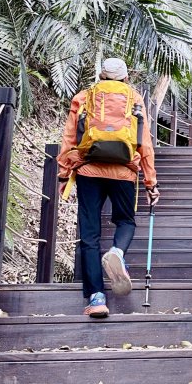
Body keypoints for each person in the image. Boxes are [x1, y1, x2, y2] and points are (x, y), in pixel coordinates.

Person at [58, 58, 160, 318]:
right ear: (126, 77)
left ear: (101, 76)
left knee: (89, 234)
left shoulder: (84, 96)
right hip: (124, 170)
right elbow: (144, 143)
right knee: (126, 221)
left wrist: (63, 173)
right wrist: (151, 182)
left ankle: (96, 298)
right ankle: (117, 251)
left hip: (89, 169)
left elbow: (70, 137)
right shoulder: (135, 98)